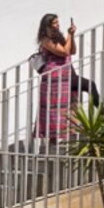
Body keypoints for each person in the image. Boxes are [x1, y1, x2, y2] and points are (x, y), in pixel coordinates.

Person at [31, 13, 93, 144]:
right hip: (53, 78)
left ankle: (73, 136)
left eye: (57, 22)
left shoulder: (58, 37)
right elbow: (64, 52)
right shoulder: (45, 39)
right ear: (47, 25)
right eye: (54, 23)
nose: (57, 25)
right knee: (53, 109)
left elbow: (72, 51)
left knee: (71, 104)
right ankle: (53, 142)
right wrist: (69, 35)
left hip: (66, 75)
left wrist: (72, 35)